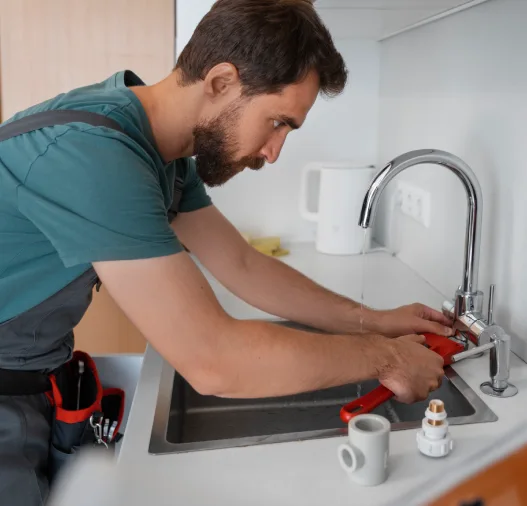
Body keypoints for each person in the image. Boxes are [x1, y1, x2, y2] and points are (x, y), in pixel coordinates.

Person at [0, 0, 452, 504]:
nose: (273, 152)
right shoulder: (94, 154)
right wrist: (385, 358)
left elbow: (241, 265)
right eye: (278, 122)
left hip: (30, 382)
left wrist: (373, 320)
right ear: (219, 82)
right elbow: (213, 361)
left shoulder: (155, 151)